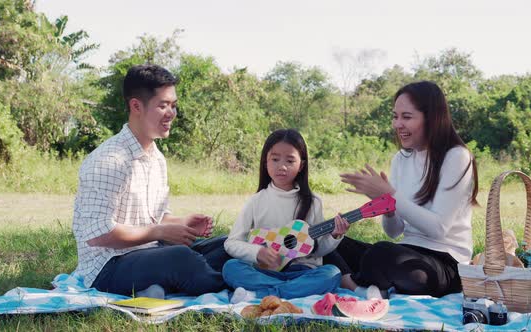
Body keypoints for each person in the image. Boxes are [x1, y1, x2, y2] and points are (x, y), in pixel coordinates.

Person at [72, 64, 230, 299]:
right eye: (163, 105)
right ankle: (241, 286)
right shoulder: (108, 160)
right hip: (107, 268)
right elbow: (99, 234)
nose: (171, 113)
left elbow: (157, 217)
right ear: (136, 106)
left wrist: (181, 224)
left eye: (173, 106)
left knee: (229, 245)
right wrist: (160, 231)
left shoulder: (156, 158)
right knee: (182, 259)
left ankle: (162, 287)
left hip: (151, 254)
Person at [324, 80, 478, 298]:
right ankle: (362, 286)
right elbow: (394, 231)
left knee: (380, 254)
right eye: (395, 116)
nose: (397, 124)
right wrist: (388, 209)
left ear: (432, 118)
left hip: (445, 263)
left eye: (406, 117)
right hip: (407, 251)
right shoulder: (401, 159)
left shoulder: (456, 156)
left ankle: (351, 281)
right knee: (329, 242)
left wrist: (390, 196)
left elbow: (438, 229)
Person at [222, 129, 353, 303]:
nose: (281, 166)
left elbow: (318, 248)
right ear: (265, 161)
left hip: (303, 272)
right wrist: (258, 252)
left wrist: (335, 235)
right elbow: (231, 243)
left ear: (301, 165)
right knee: (231, 268)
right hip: (265, 272)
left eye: (290, 160)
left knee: (332, 274)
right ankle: (290, 292)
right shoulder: (256, 201)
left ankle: (262, 294)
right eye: (275, 159)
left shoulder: (313, 202)